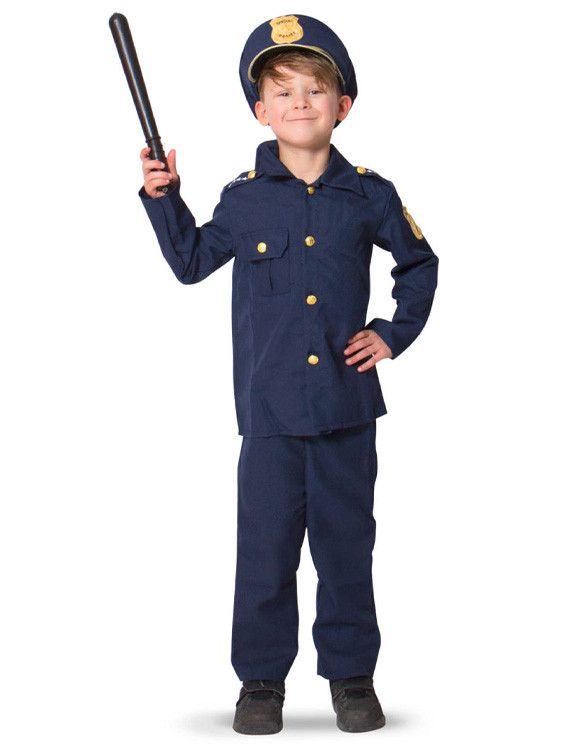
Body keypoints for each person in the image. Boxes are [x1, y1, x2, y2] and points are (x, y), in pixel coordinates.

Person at [137, 13, 438, 735]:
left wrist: (392, 334)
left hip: (345, 411)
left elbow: (420, 264)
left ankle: (352, 678)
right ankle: (261, 682)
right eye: (284, 92)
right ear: (260, 111)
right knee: (264, 554)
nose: (300, 102)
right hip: (269, 416)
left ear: (343, 105)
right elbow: (191, 263)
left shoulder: (368, 195)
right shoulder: (244, 200)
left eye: (315, 89)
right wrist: (164, 199)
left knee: (346, 550)